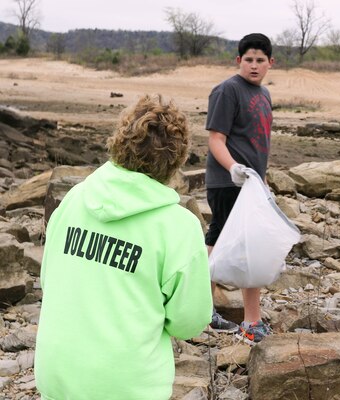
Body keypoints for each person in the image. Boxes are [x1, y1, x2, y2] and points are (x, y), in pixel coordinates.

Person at [34, 94, 213, 400]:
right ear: (178, 159)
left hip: (56, 374)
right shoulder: (179, 226)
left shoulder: (76, 199)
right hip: (127, 386)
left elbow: (48, 280)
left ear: (118, 141)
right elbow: (189, 322)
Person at [204, 33, 275, 344]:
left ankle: (251, 320)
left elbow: (259, 145)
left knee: (250, 246)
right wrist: (232, 167)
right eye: (249, 59)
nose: (254, 65)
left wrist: (263, 181)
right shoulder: (227, 90)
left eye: (260, 60)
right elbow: (215, 139)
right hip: (226, 182)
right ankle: (205, 311)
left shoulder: (265, 95)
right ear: (238, 61)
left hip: (252, 185)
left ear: (271, 63)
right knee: (220, 243)